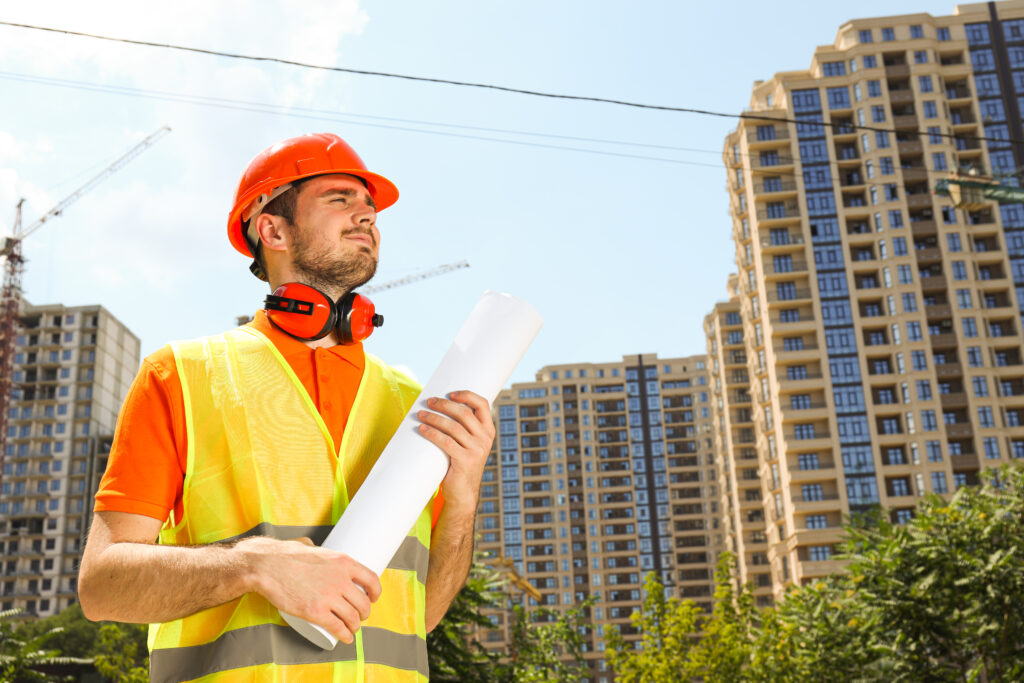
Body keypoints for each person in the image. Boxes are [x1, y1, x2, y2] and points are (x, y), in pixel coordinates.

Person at [78, 133, 494, 682]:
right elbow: (103, 587)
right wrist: (254, 564)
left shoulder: (412, 403)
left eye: (370, 208)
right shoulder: (181, 375)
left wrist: (463, 495)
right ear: (271, 229)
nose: (366, 216)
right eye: (340, 199)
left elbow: (421, 616)